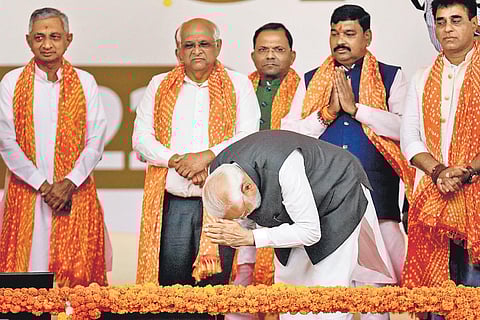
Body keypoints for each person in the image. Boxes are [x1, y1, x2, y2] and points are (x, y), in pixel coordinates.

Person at [284, 4, 412, 300]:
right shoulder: (310, 79)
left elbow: (406, 130)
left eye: (349, 33)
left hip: (377, 206)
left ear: (367, 37)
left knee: (374, 296)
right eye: (334, 33)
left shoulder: (391, 76)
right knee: (327, 295)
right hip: (323, 208)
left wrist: (357, 109)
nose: (340, 40)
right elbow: (290, 135)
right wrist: (326, 114)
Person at [132, 17, 260, 311]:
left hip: (222, 206)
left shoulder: (238, 84)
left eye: (204, 44)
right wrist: (177, 160)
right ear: (178, 51)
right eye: (189, 45)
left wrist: (207, 157)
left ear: (218, 47)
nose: (197, 51)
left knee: (213, 294)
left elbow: (248, 135)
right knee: (173, 292)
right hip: (175, 203)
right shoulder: (160, 85)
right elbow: (140, 138)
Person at [202, 130, 396, 320]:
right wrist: (237, 233)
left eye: (244, 213)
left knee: (329, 294)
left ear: (248, 187)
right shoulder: (219, 174)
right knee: (289, 290)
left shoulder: (284, 166)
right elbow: (247, 223)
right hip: (292, 211)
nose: (246, 218)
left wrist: (251, 237)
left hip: (338, 194)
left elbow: (310, 232)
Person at [0, 7, 110, 287]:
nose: (46, 44)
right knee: (28, 278)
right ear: (28, 40)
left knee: (76, 285)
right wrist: (44, 186)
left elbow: (96, 140)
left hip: (75, 193)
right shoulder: (11, 82)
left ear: (68, 39)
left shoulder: (85, 82)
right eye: (39, 37)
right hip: (27, 193)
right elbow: (7, 142)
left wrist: (69, 183)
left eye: (54, 36)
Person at [401, 0, 480, 302]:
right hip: (431, 200)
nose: (448, 28)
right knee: (437, 296)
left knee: (473, 295)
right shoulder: (422, 76)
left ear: (475, 23)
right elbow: (409, 137)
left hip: (476, 198)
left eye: (457, 20)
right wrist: (438, 172)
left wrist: (467, 171)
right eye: (441, 21)